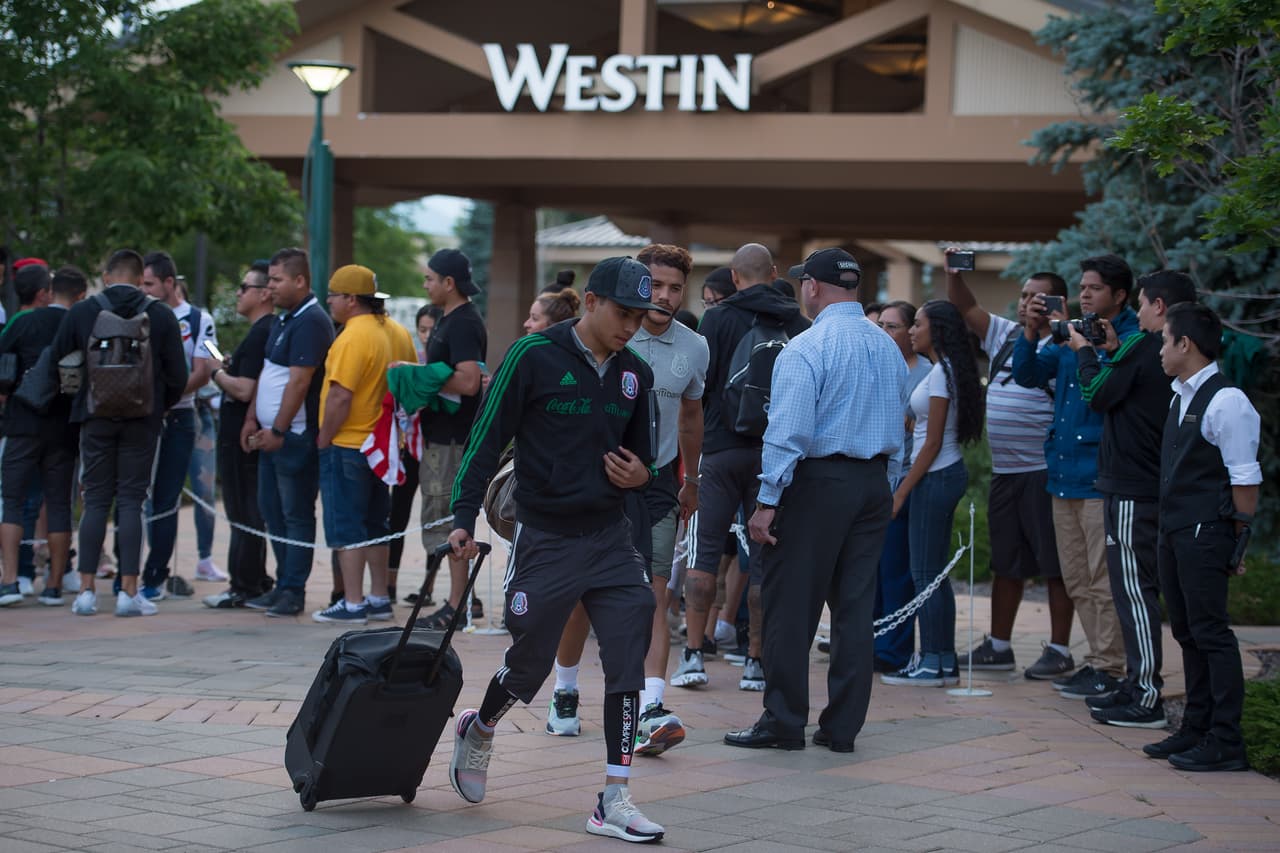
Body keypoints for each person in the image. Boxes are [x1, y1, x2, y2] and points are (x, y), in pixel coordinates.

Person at [444, 256, 665, 842]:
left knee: (627, 654)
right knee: (530, 665)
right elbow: (484, 439)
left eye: (640, 317)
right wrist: (463, 518)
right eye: (623, 313)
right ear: (591, 302)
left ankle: (614, 798)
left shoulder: (635, 374)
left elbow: (647, 463)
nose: (632, 326)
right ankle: (480, 727)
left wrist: (642, 476)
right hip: (544, 537)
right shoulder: (532, 355)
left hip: (612, 538)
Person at [723, 247, 905, 752]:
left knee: (790, 604)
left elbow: (789, 432)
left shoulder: (807, 347)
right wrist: (886, 485)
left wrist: (767, 501)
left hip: (818, 482)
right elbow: (898, 427)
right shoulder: (886, 345)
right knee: (854, 610)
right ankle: (842, 728)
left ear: (812, 287)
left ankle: (783, 721)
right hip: (871, 481)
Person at [547, 244, 707, 759]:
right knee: (582, 594)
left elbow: (691, 417)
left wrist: (691, 479)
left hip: (657, 485)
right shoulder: (610, 334)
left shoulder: (695, 347)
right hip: (597, 483)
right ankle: (565, 689)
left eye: (674, 288)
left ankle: (650, 707)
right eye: (654, 285)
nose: (664, 297)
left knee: (653, 593)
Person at [672, 243, 809, 691]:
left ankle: (694, 655)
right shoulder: (797, 323)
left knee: (704, 554)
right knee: (763, 559)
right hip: (773, 455)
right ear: (773, 273)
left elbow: (700, 388)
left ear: (733, 277)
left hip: (719, 449)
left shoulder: (717, 319)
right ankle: (755, 661)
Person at [1070, 269, 1196, 728]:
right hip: (1142, 486)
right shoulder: (1150, 352)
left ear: (1159, 306)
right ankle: (1135, 683)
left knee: (1135, 593)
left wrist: (1085, 352)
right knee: (1133, 590)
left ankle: (1145, 694)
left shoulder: (1144, 346)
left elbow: (1095, 392)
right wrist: (1109, 351)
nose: (1137, 312)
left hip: (1131, 488)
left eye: (1142, 303)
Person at [945, 256, 1076, 681]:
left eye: (1037, 298)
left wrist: (1050, 327)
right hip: (1005, 473)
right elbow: (966, 306)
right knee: (1006, 563)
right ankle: (999, 646)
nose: (1025, 303)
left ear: (1058, 303)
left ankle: (1060, 649)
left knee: (1054, 565)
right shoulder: (1005, 333)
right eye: (1023, 295)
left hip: (1043, 471)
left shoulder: (1066, 343)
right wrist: (953, 274)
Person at [1013, 254, 1134, 700]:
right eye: (1082, 287)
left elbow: (1108, 393)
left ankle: (1112, 667)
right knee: (1078, 579)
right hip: (1062, 473)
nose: (1084, 295)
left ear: (1119, 295)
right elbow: (1027, 374)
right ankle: (1100, 661)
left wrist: (1092, 348)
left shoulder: (1130, 338)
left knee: (1103, 580)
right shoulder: (1071, 332)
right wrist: (1032, 331)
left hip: (1100, 475)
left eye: (1094, 288)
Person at [1146, 302, 1259, 771]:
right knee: (1188, 632)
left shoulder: (1227, 400)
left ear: (1185, 343)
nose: (1160, 350)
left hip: (1205, 532)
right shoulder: (1179, 396)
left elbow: (1245, 479)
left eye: (1164, 340)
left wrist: (1237, 543)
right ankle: (1195, 728)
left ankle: (1226, 740)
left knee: (1211, 633)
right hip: (1175, 531)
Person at [50, 250, 187, 617]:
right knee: (131, 501)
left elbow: (59, 361)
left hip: (94, 417)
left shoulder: (83, 312)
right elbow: (178, 375)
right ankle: (128, 592)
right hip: (142, 420)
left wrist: (80, 399)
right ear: (140, 278)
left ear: (107, 276)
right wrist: (158, 404)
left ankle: (86, 592)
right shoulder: (160, 314)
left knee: (95, 500)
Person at [881, 300, 984, 686]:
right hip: (939, 474)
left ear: (937, 330)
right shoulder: (944, 370)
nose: (911, 330)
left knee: (926, 574)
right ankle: (942, 660)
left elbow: (934, 443)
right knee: (932, 573)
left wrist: (901, 493)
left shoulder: (941, 373)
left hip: (936, 475)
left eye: (918, 324)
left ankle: (931, 662)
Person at [310, 265, 416, 624]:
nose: (329, 303)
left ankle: (353, 603)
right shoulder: (397, 332)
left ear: (351, 299)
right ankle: (378, 597)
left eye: (332, 296)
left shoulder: (352, 336)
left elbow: (340, 396)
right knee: (375, 522)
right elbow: (408, 385)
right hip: (382, 445)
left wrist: (324, 438)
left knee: (347, 524)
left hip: (349, 442)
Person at [243, 248, 335, 618]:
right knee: (272, 511)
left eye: (277, 280)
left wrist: (279, 429)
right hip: (269, 434)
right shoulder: (284, 319)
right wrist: (252, 419)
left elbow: (299, 382)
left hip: (292, 437)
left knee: (295, 515)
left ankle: (293, 590)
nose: (270, 287)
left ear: (300, 280)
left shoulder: (311, 321)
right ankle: (282, 584)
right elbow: (269, 373)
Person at [0, 265, 86, 607]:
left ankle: (10, 581)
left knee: (12, 500)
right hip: (63, 426)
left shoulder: (20, 323)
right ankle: (53, 586)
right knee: (59, 503)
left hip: (23, 423)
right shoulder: (76, 323)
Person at [138, 251, 219, 600]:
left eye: (149, 283)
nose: (143, 290)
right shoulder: (138, 313)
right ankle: (136, 573)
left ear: (169, 283)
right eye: (140, 283)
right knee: (142, 497)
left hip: (188, 415)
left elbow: (209, 366)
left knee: (199, 490)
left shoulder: (201, 320)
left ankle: (202, 558)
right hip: (144, 417)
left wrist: (168, 397)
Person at [419, 249, 487, 628]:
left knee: (447, 521)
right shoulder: (449, 319)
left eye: (430, 278)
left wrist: (420, 375)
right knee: (442, 518)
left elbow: (469, 381)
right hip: (441, 437)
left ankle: (456, 607)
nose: (425, 284)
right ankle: (463, 602)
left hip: (453, 440)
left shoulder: (463, 323)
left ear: (449, 283)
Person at [203, 261, 276, 608]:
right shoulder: (265, 330)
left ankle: (244, 585)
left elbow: (245, 389)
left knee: (243, 509)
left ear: (263, 294)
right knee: (249, 508)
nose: (238, 293)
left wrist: (216, 372)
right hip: (246, 431)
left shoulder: (262, 331)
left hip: (241, 436)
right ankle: (254, 578)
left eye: (245, 287)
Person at [870, 300, 932, 673]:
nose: (884, 333)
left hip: (905, 481)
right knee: (871, 572)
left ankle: (894, 651)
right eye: (880, 325)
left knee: (896, 571)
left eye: (892, 326)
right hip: (873, 480)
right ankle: (871, 642)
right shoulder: (876, 364)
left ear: (910, 332)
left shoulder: (925, 374)